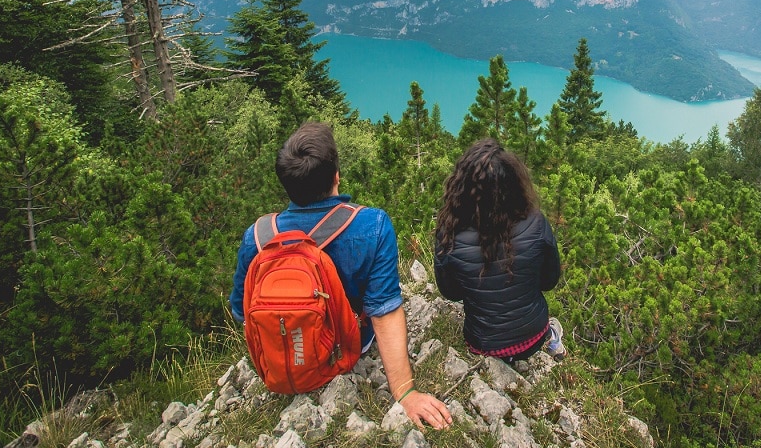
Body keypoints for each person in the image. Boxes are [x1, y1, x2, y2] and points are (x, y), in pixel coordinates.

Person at [231, 122, 451, 430]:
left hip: (277, 358)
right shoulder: (371, 225)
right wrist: (405, 392)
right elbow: (383, 311)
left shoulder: (256, 236)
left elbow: (242, 311)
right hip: (346, 348)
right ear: (336, 175)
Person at [433, 138, 565, 363]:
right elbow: (549, 281)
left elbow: (451, 293)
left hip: (483, 344)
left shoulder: (448, 235)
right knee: (541, 322)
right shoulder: (536, 223)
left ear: (460, 187)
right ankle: (552, 338)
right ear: (515, 184)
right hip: (533, 338)